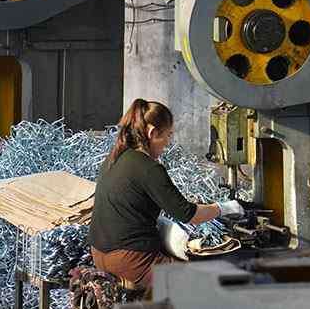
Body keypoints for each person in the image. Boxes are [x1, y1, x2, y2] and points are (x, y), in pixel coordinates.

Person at [89, 99, 243, 289]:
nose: (168, 143)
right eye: (168, 135)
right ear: (152, 133)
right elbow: (188, 214)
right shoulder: (149, 168)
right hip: (130, 261)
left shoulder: (116, 157)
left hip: (100, 254)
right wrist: (223, 208)